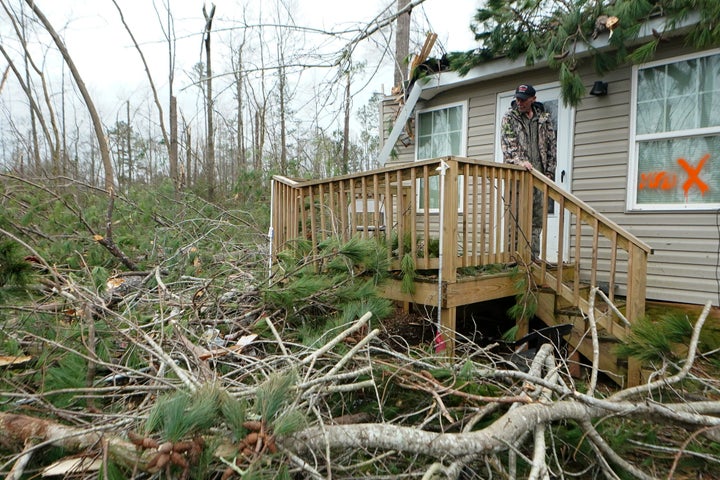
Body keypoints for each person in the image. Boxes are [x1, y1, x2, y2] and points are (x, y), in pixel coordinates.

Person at [501, 84, 557, 259]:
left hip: (539, 178)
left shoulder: (544, 119)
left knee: (536, 220)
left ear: (533, 99)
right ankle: (513, 259)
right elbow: (508, 146)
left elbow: (551, 148)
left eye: (523, 99)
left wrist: (549, 173)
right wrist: (521, 162)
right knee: (515, 219)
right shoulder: (509, 118)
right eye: (517, 98)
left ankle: (532, 259)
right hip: (517, 177)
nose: (519, 102)